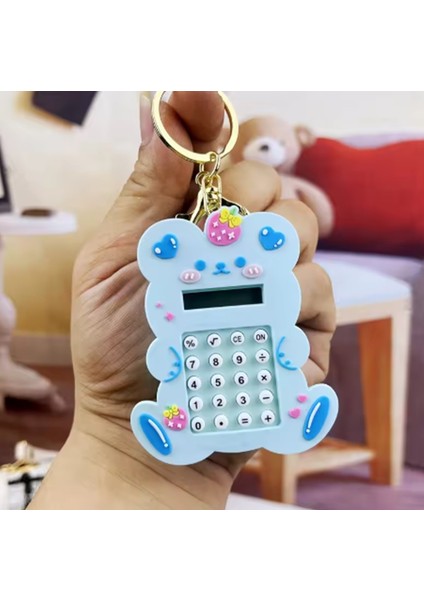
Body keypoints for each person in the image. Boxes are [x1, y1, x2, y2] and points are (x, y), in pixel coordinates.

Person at [29, 92, 335, 510]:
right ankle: (170, 433)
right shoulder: (166, 295)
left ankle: (293, 419)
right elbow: (163, 360)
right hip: (170, 429)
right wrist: (114, 442)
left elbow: (288, 346)